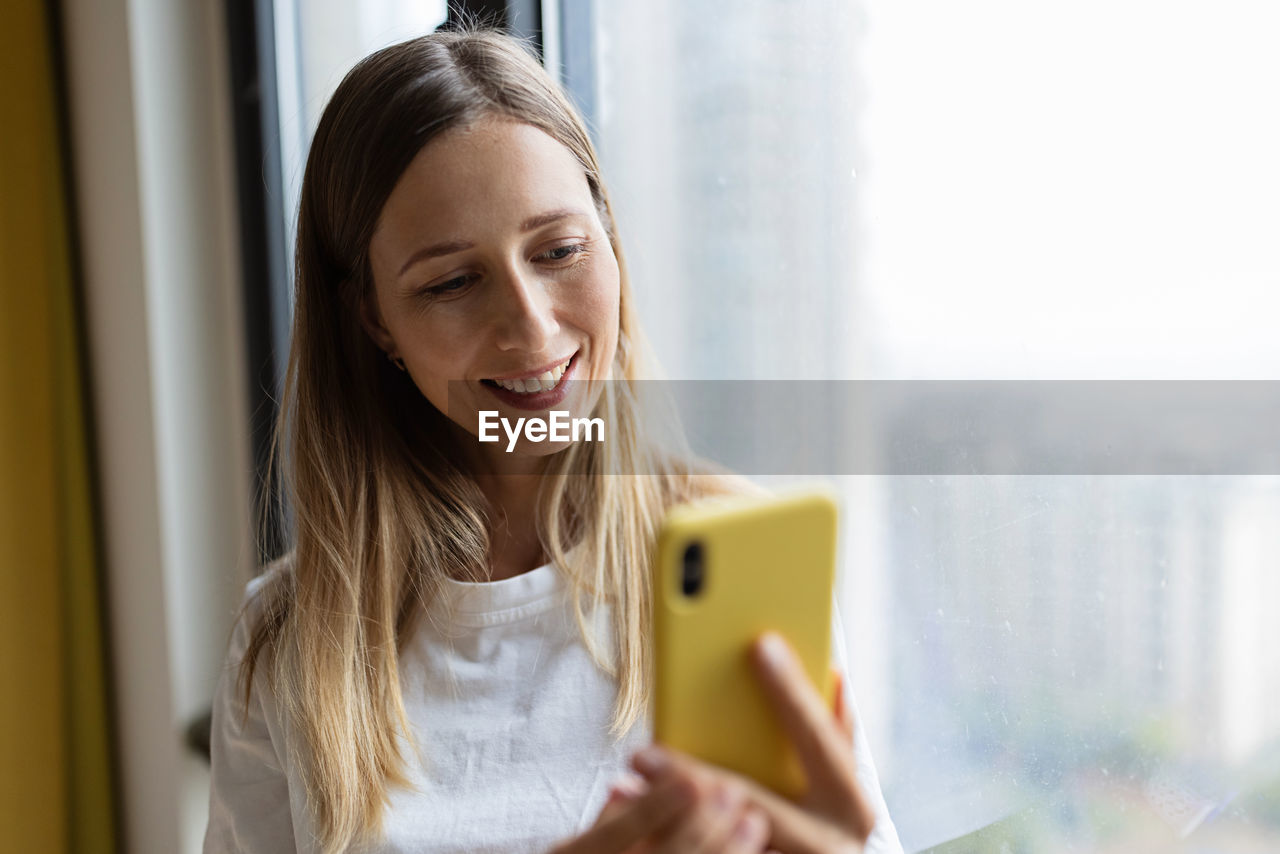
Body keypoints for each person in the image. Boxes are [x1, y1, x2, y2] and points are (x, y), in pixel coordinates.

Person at [204, 27, 903, 854]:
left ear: (608, 239)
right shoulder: (292, 639)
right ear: (374, 321)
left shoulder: (738, 570)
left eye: (561, 250)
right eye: (453, 282)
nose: (532, 329)